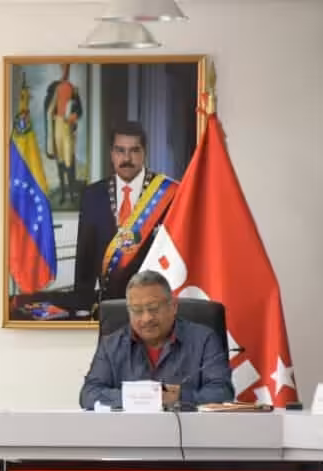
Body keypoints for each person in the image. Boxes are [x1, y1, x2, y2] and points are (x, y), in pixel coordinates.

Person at [80, 270, 234, 410]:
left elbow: (222, 392)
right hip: (127, 434)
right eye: (137, 311)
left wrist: (179, 397)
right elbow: (89, 394)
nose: (146, 318)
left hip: (189, 435)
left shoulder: (204, 339)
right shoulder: (111, 345)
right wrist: (142, 398)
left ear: (173, 306)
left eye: (153, 308)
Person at [73, 121, 177, 315]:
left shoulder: (168, 195)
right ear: (112, 153)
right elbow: (85, 257)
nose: (127, 158)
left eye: (134, 151)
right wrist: (82, 308)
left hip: (155, 308)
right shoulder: (93, 195)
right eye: (120, 150)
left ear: (144, 152)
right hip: (109, 307)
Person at [44, 63, 83, 206]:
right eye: (63, 68)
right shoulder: (54, 88)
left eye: (67, 68)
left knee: (69, 160)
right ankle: (62, 192)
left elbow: (79, 110)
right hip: (57, 126)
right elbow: (49, 106)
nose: (65, 71)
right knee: (60, 160)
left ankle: (72, 193)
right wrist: (52, 114)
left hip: (67, 127)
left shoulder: (73, 89)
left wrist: (73, 117)